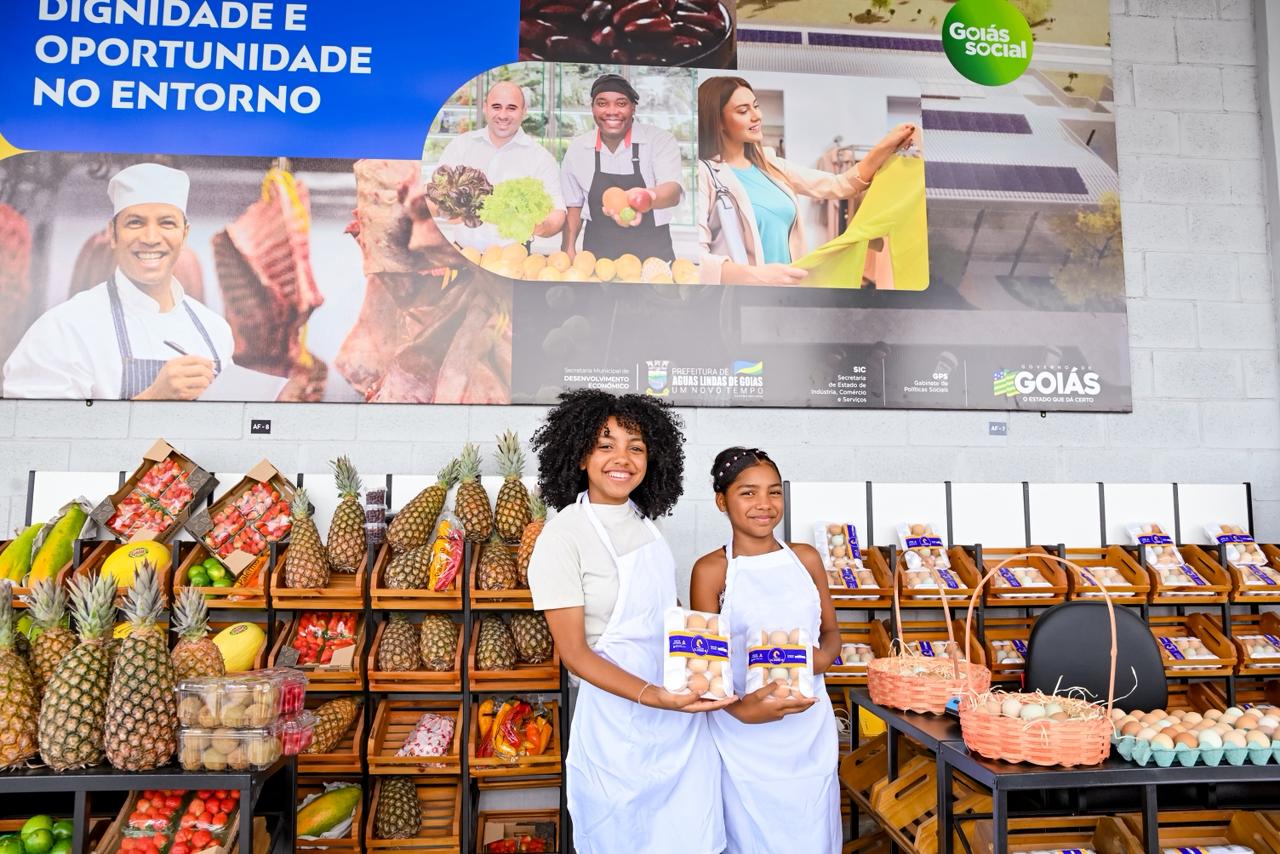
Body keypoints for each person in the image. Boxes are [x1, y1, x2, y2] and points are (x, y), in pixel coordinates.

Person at [527, 389, 730, 854]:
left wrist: (709, 670)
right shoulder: (563, 537)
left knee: (690, 839)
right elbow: (575, 655)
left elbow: (669, 613)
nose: (623, 458)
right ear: (579, 456)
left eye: (635, 447)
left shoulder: (646, 523)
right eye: (606, 444)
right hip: (618, 729)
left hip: (679, 719)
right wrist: (651, 695)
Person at [690, 447, 843, 854]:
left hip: (807, 729)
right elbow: (706, 667)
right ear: (721, 500)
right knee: (751, 837)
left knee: (813, 831)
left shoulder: (806, 559)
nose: (764, 505)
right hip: (743, 736)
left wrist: (816, 663)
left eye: (774, 493)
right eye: (748, 493)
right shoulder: (711, 570)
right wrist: (743, 712)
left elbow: (831, 633)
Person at [3, 163, 233, 400]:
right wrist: (153, 398)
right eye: (136, 222)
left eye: (166, 223)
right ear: (113, 234)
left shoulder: (215, 331)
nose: (151, 238)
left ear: (184, 235)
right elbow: (35, 431)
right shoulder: (63, 329)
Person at [695, 75, 917, 285]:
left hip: (788, 292)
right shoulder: (705, 174)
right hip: (741, 299)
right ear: (719, 121)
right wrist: (759, 276)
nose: (756, 116)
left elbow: (840, 185)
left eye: (756, 106)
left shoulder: (771, 165)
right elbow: (698, 260)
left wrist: (887, 145)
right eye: (743, 111)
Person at [560, 74, 685, 263]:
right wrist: (568, 249)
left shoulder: (659, 141)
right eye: (602, 103)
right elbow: (573, 205)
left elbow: (673, 191)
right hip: (597, 256)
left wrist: (645, 198)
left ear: (633, 108)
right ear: (592, 108)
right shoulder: (578, 148)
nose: (611, 111)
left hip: (653, 255)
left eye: (621, 103)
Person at [433, 80, 566, 250]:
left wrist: (538, 226)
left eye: (511, 108)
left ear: (524, 111)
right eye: (496, 107)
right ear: (485, 108)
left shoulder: (541, 157)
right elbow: (433, 197)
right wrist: (449, 210)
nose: (503, 115)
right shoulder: (461, 146)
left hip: (515, 257)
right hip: (463, 254)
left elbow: (557, 212)